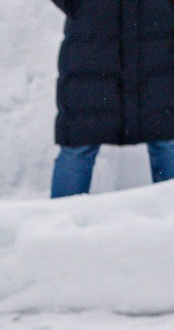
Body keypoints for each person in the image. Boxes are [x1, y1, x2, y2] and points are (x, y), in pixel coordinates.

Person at [49, 0, 174, 197]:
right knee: (79, 144)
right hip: (93, 45)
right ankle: (59, 224)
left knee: (167, 140)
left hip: (156, 41)